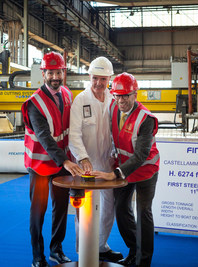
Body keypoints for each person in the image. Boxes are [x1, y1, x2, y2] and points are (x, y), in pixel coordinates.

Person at [21, 51, 84, 267]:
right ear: (43, 74)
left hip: (62, 163)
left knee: (61, 208)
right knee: (38, 211)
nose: (55, 77)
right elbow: (45, 137)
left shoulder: (67, 94)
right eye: (51, 73)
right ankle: (37, 257)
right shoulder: (34, 103)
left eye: (59, 72)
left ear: (63, 73)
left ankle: (56, 249)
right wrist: (65, 161)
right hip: (40, 164)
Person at [92, 72, 160, 267]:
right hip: (124, 169)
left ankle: (143, 261)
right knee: (121, 210)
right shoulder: (113, 107)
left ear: (135, 95)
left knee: (143, 212)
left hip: (146, 170)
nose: (121, 100)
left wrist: (114, 174)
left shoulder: (146, 119)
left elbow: (141, 155)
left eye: (125, 96)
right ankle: (134, 249)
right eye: (117, 95)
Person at [69, 57, 123, 262]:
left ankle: (101, 245)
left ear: (109, 78)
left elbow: (117, 131)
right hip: (87, 165)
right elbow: (74, 134)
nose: (99, 83)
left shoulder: (113, 100)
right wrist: (82, 158)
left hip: (107, 163)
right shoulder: (80, 101)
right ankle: (82, 248)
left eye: (103, 79)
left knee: (109, 206)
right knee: (85, 208)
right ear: (89, 77)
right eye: (95, 78)